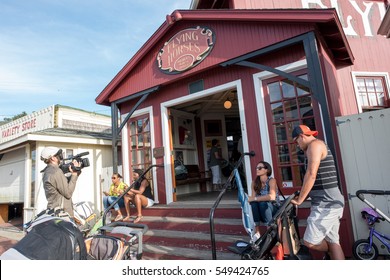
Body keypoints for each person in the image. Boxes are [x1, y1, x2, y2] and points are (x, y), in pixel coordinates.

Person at [291, 125, 345, 260]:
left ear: (302, 137)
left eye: (296, 141)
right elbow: (317, 179)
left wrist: (300, 200)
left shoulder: (314, 145)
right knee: (333, 242)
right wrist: (303, 193)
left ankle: (331, 252)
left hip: (327, 203)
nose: (297, 145)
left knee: (310, 241)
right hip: (328, 201)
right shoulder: (315, 146)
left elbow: (311, 174)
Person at [40, 146, 81, 218]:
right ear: (52, 158)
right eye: (59, 155)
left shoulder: (47, 171)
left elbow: (63, 186)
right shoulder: (56, 172)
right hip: (62, 214)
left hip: (54, 211)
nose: (61, 157)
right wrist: (74, 175)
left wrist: (76, 174)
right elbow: (68, 193)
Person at [248, 161, 279, 237]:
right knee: (253, 204)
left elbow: (272, 197)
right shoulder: (254, 182)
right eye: (257, 168)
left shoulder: (271, 181)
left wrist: (254, 198)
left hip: (273, 208)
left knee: (262, 203)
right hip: (261, 210)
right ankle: (257, 232)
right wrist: (250, 199)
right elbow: (252, 198)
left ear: (266, 170)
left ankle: (270, 229)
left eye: (260, 168)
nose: (257, 169)